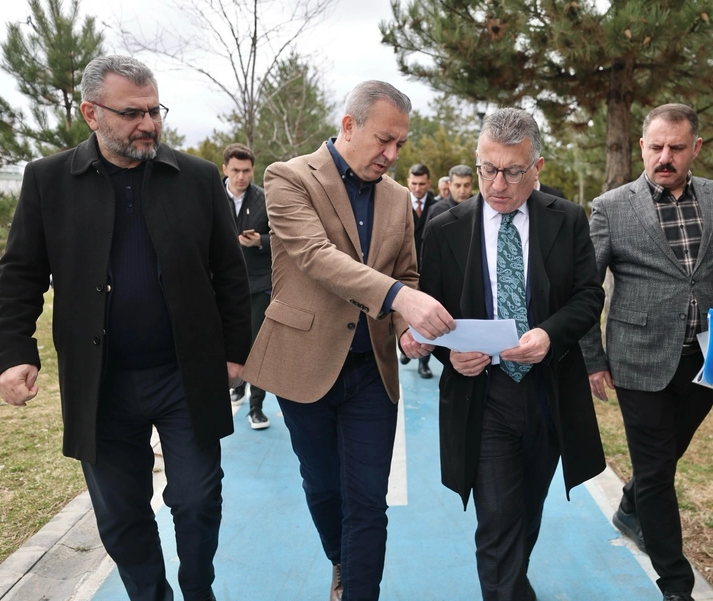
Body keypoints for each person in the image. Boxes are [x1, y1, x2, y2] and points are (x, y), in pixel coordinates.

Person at [0, 55, 251, 601]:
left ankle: (198, 589)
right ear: (91, 113)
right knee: (121, 514)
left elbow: (230, 273)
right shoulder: (49, 181)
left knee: (198, 499)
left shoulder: (197, 178)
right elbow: (19, 277)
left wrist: (235, 352)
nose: (148, 124)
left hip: (185, 375)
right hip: (101, 382)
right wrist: (12, 353)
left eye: (154, 110)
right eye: (132, 113)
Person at [241, 80, 454, 601]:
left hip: (370, 374)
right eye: (384, 140)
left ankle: (356, 589)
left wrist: (406, 329)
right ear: (348, 126)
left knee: (368, 502)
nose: (392, 154)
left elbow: (407, 272)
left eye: (400, 144)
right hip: (303, 365)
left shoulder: (398, 198)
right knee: (323, 488)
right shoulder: (288, 177)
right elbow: (316, 256)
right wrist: (401, 299)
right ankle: (341, 560)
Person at [580, 103, 713, 601]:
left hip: (708, 359)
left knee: (660, 463)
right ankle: (676, 586)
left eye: (676, 147)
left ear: (696, 148)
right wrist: (592, 358)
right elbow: (586, 290)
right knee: (656, 473)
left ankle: (630, 506)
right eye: (655, 147)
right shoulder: (611, 207)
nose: (664, 157)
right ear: (641, 147)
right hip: (637, 358)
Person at [418, 108, 607, 601]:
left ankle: (512, 585)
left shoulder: (567, 219)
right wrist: (448, 354)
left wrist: (549, 335)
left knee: (525, 511)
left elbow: (589, 296)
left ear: (537, 167)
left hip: (548, 393)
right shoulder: (444, 228)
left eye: (513, 171)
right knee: (498, 520)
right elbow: (430, 310)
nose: (497, 184)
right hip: (483, 397)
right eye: (488, 169)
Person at [222, 143, 272, 429]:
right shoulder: (211, 195)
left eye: (247, 171)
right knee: (226, 342)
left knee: (258, 346)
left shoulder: (265, 199)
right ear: (225, 169)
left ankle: (256, 408)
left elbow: (282, 237)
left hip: (258, 283)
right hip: (221, 284)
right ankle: (236, 384)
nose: (241, 176)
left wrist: (260, 241)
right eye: (236, 170)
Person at [399, 163, 438, 378]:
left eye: (422, 184)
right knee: (404, 310)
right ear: (408, 182)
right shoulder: (399, 203)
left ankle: (424, 362)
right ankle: (406, 346)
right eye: (414, 183)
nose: (418, 188)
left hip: (429, 268)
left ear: (429, 183)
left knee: (427, 315)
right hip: (405, 267)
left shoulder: (437, 206)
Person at [421, 163, 474, 230]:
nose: (462, 191)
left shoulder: (481, 208)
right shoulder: (436, 210)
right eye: (457, 186)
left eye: (466, 185)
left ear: (472, 184)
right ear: (450, 185)